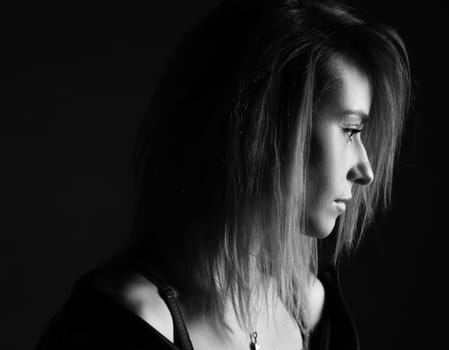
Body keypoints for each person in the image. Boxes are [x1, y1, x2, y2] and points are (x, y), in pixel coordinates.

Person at [36, 0, 411, 349]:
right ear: (265, 129)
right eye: (349, 130)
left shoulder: (311, 311)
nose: (366, 171)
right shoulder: (126, 324)